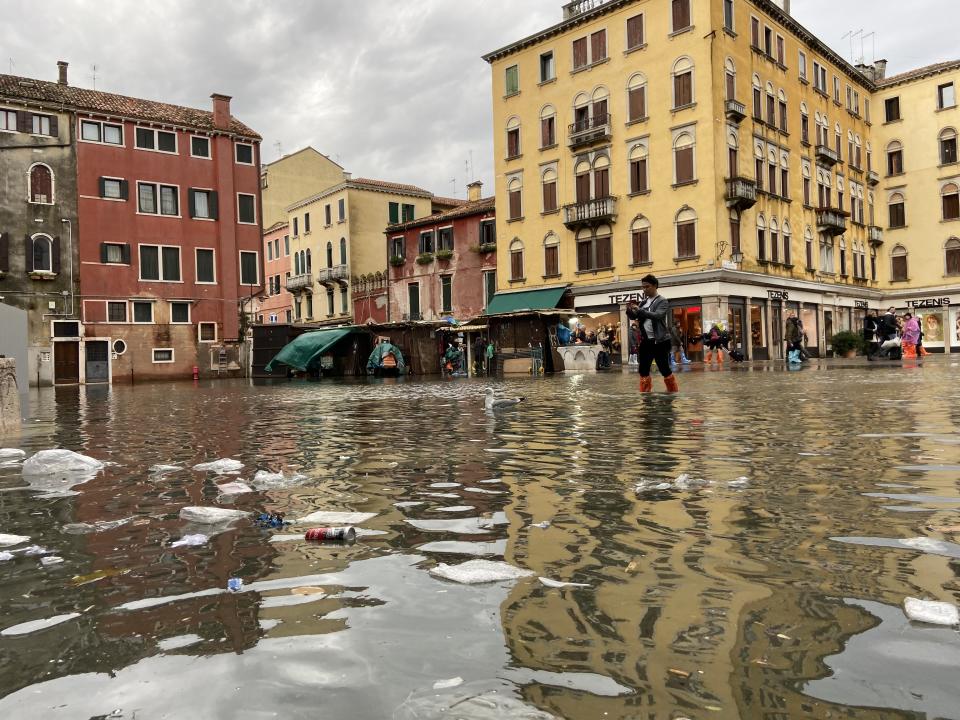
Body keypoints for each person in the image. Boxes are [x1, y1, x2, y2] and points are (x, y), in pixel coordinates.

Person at [626, 274, 678, 393]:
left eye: (647, 286)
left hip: (660, 341)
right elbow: (636, 316)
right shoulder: (643, 302)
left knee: (664, 368)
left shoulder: (662, 301)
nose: (644, 289)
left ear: (655, 286)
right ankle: (646, 395)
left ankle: (672, 393)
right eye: (643, 287)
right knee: (643, 369)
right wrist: (630, 312)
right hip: (646, 341)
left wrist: (640, 310)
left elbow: (658, 315)